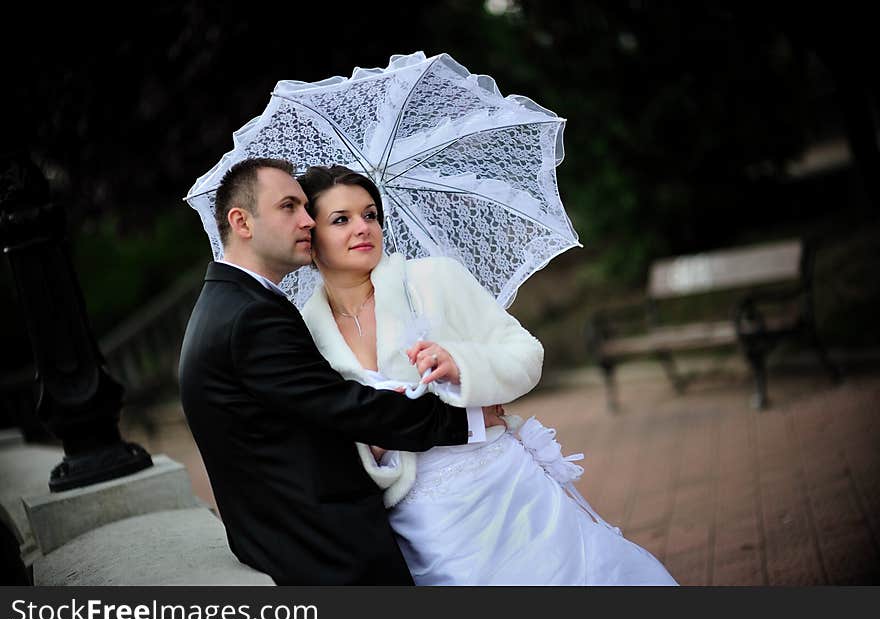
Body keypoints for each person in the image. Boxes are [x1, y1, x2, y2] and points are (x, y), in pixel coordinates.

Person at [298, 164, 678, 585]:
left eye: (370, 214)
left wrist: (463, 365)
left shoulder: (433, 278)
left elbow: (526, 354)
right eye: (341, 220)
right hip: (421, 522)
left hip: (503, 488)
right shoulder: (303, 332)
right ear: (308, 238)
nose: (363, 228)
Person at [178, 157, 503, 585]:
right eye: (289, 207)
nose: (307, 220)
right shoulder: (248, 316)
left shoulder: (236, 303)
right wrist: (463, 419)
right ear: (242, 222)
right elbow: (345, 407)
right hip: (324, 550)